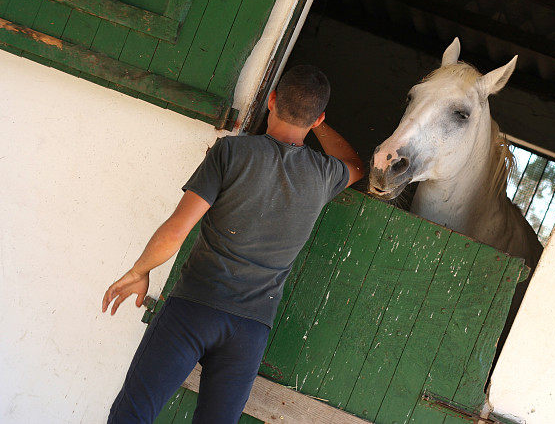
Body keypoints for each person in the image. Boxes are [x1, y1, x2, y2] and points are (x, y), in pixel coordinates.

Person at [101, 65, 364, 423]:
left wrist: (139, 270)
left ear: (270, 100)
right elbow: (356, 166)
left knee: (132, 415)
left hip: (194, 308)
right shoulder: (324, 174)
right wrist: (315, 122)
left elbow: (177, 230)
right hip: (249, 330)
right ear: (319, 120)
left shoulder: (231, 153)